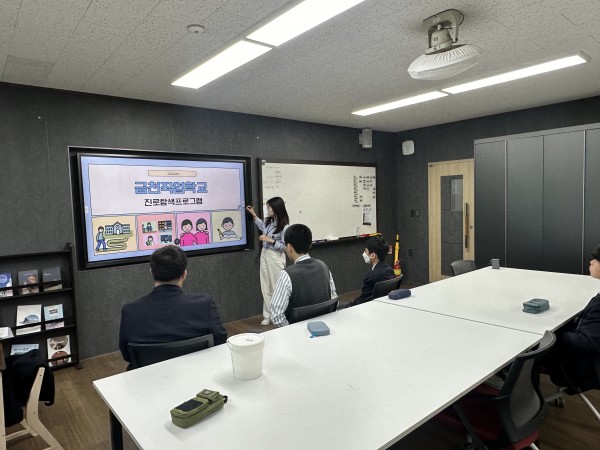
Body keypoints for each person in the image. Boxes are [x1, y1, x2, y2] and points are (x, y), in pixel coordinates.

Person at [118, 245, 227, 370]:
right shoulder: (204, 303)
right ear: (184, 274)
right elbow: (220, 341)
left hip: (149, 381)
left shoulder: (130, 311)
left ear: (151, 272)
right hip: (197, 375)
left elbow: (127, 355)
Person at [544, 245, 600, 391]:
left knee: (529, 346)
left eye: (596, 259)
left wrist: (555, 335)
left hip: (581, 369)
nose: (591, 262)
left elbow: (588, 341)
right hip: (590, 362)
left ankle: (512, 388)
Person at [270, 224, 337, 328]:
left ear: (289, 247)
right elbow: (334, 301)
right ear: (310, 244)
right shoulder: (323, 266)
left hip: (297, 337)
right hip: (324, 329)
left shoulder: (286, 275)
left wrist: (293, 331)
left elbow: (276, 316)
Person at [246, 197, 290, 326]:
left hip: (276, 256)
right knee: (265, 285)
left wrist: (270, 240)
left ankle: (279, 314)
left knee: (276, 287)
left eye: (269, 207)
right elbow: (261, 225)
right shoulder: (269, 222)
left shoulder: (285, 226)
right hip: (265, 254)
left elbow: (284, 247)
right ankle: (267, 315)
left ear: (276, 208)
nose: (267, 209)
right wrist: (253, 215)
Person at [345, 236, 395, 308]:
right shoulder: (390, 270)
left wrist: (348, 306)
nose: (363, 254)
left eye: (365, 251)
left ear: (372, 255)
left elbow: (363, 301)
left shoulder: (372, 277)